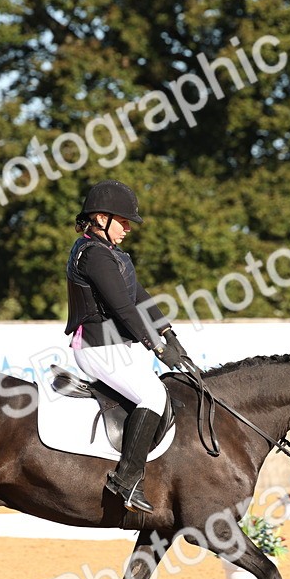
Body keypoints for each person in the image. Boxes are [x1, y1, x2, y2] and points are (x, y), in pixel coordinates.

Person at [64, 180, 190, 514]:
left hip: (117, 346)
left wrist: (169, 334)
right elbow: (123, 308)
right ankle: (126, 479)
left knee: (164, 394)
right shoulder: (93, 255)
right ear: (101, 218)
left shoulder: (112, 253)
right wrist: (157, 348)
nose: (128, 228)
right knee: (153, 397)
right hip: (97, 346)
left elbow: (140, 296)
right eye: (123, 221)